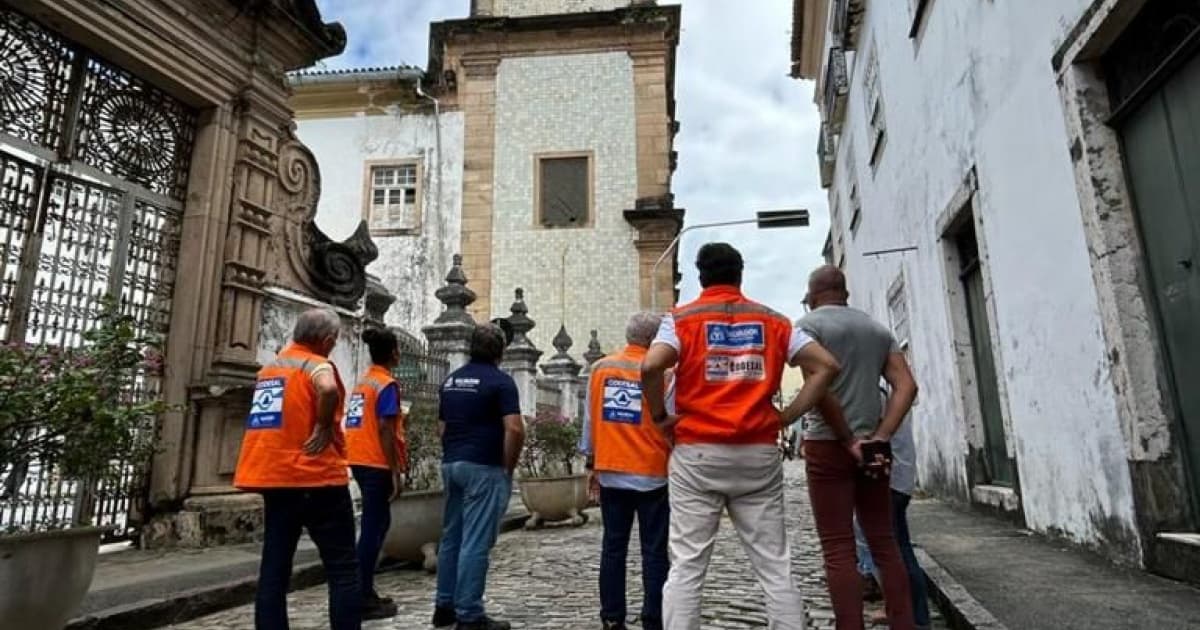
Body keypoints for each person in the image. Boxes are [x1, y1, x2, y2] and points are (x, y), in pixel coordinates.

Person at [641, 242, 846, 630]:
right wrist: (787, 416)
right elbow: (827, 366)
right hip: (757, 452)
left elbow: (651, 366)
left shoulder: (680, 319)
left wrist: (659, 415)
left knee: (687, 565)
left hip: (697, 451)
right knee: (774, 564)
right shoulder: (774, 321)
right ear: (740, 275)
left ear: (701, 276)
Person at [798, 265, 919, 630]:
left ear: (813, 296)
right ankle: (904, 622)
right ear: (845, 293)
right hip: (872, 448)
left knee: (837, 548)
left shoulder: (809, 329)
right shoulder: (877, 330)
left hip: (827, 445)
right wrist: (880, 436)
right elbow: (907, 387)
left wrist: (846, 437)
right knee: (884, 541)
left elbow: (820, 391)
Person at [233, 309, 365, 630]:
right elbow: (328, 389)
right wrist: (322, 427)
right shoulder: (317, 364)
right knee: (343, 569)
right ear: (328, 340)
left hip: (275, 479)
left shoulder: (269, 370)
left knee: (274, 570)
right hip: (318, 478)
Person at [580, 312, 673, 630]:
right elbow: (671, 421)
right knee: (654, 550)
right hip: (652, 471)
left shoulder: (600, 368)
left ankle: (611, 617)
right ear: (653, 340)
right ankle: (654, 617)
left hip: (612, 469)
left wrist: (590, 462)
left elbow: (590, 420)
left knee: (613, 547)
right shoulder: (664, 372)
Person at [433, 323, 525, 630]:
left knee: (451, 538)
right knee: (475, 542)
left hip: (452, 463)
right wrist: (507, 466)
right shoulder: (501, 382)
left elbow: (442, 428)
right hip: (484, 466)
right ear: (501, 351)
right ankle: (469, 613)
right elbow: (514, 428)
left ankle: (444, 605)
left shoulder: (451, 381)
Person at [854, 385, 930, 629]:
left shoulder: (877, 396)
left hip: (890, 481)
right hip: (898, 478)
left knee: (897, 552)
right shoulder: (890, 393)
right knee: (893, 548)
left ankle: (916, 617)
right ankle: (899, 608)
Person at [345, 327, 406, 618]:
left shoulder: (363, 383)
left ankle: (364, 590)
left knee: (378, 525)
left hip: (358, 458)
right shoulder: (386, 385)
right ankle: (360, 595)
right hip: (376, 462)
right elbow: (385, 428)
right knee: (373, 528)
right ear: (394, 352)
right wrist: (394, 469)